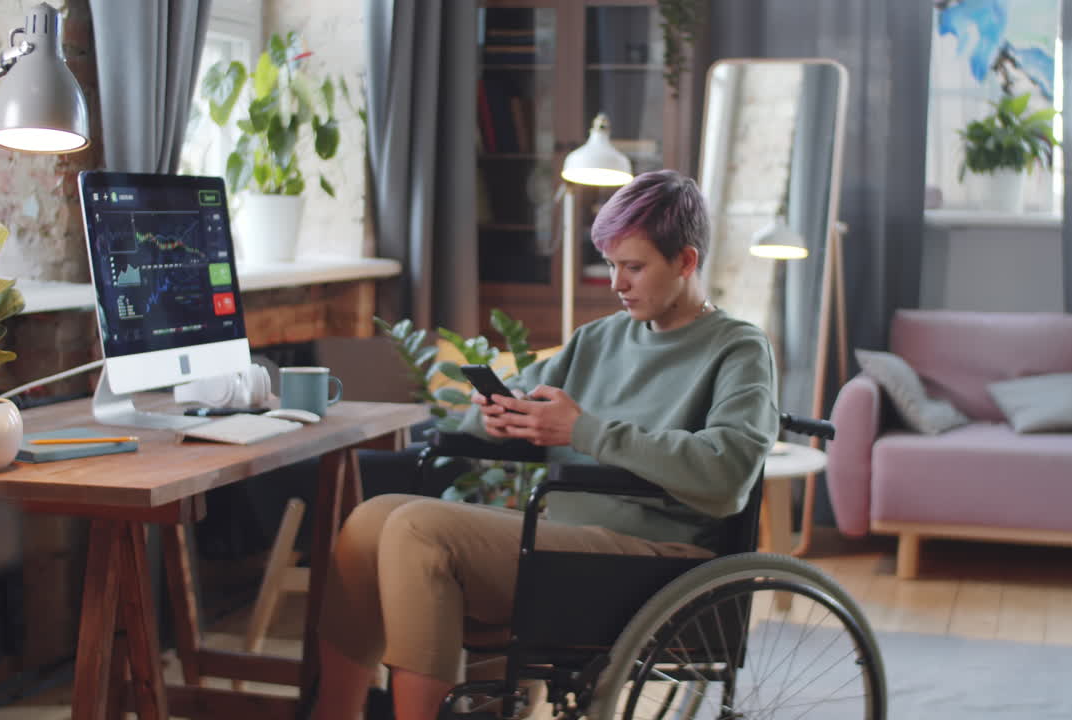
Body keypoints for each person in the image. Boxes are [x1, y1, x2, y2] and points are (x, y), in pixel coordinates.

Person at [311, 169, 780, 720]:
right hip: (570, 546)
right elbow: (515, 401)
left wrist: (582, 431)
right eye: (611, 265)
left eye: (634, 267)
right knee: (370, 520)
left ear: (686, 261)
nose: (617, 283)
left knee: (418, 529)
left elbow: (727, 478)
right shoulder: (599, 339)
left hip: (658, 559)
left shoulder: (738, 350)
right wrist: (498, 415)